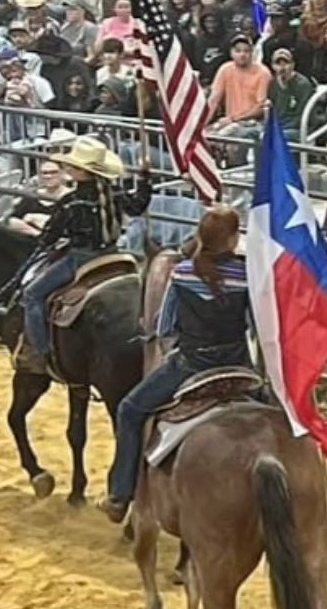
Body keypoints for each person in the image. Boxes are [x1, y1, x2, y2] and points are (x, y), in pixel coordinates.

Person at [98, 207, 250, 522]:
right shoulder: (247, 275)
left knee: (129, 410)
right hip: (239, 364)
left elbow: (165, 325)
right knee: (281, 416)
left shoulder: (182, 273)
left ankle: (120, 495)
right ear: (233, 240)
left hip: (191, 365)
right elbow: (256, 325)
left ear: (200, 237)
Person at [20, 136, 152, 373]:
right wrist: (144, 179)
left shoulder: (70, 202)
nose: (69, 168)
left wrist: (40, 234)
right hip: (113, 255)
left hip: (81, 259)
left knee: (32, 295)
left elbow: (50, 236)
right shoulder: (114, 193)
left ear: (82, 172)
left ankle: (41, 353)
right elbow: (138, 206)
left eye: (73, 166)